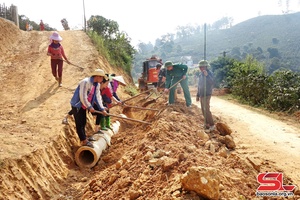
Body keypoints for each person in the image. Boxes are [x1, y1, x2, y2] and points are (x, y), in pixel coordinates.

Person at [69, 69, 108, 148]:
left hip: (84, 105)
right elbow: (82, 96)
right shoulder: (85, 82)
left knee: (83, 122)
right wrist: (89, 106)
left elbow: (98, 97)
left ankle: (84, 138)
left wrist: (102, 109)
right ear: (97, 76)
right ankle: (83, 140)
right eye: (101, 78)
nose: (102, 80)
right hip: (78, 105)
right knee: (79, 123)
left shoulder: (96, 84)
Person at [196, 60, 215, 133]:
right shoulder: (200, 74)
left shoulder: (209, 73)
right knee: (203, 110)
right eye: (200, 67)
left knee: (206, 109)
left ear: (206, 67)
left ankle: (212, 125)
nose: (201, 68)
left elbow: (212, 82)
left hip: (207, 94)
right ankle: (206, 123)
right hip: (201, 94)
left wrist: (207, 76)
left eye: (202, 67)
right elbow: (199, 85)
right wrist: (198, 95)